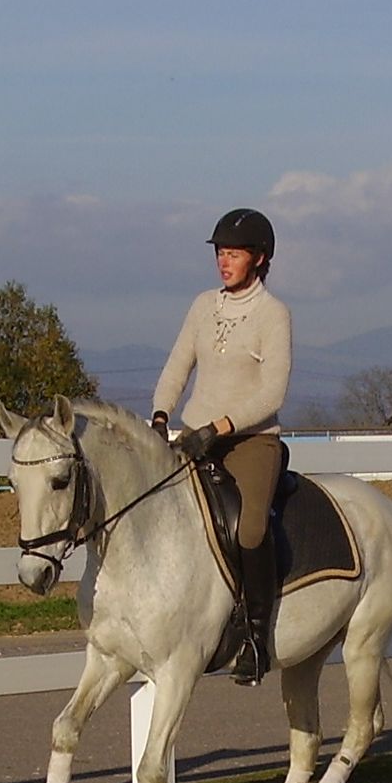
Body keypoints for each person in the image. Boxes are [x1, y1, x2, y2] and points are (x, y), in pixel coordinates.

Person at [150, 207, 292, 685]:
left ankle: (255, 637)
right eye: (220, 253)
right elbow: (177, 367)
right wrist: (161, 414)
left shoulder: (274, 315)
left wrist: (222, 426)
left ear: (259, 258)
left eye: (233, 254)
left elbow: (272, 393)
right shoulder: (201, 306)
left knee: (250, 529)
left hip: (251, 441)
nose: (223, 262)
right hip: (193, 436)